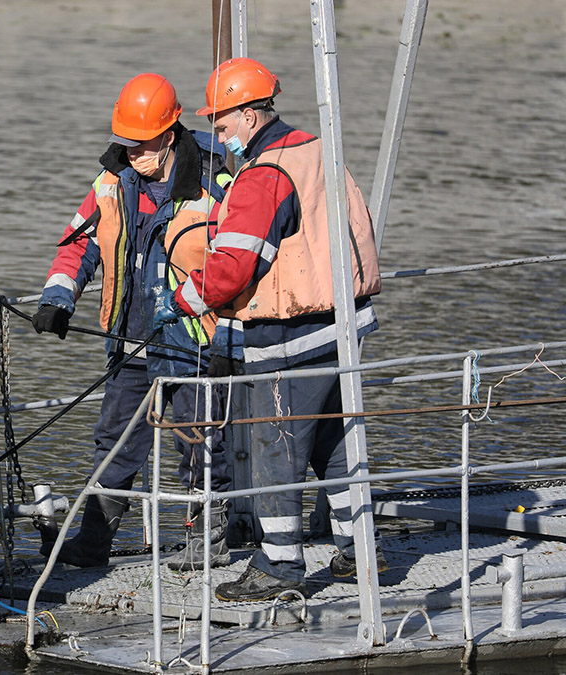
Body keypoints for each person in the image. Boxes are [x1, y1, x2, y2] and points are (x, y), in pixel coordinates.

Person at [152, 57, 386, 601]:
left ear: (250, 114)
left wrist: (184, 298)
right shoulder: (318, 150)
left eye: (221, 121)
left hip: (288, 336)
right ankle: (357, 550)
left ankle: (280, 565)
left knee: (275, 444)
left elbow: (233, 266)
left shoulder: (264, 176)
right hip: (340, 325)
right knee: (333, 442)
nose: (217, 132)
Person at [32, 72, 235, 570]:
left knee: (200, 441)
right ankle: (94, 541)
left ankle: (207, 540)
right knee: (115, 440)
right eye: (126, 146)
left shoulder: (216, 188)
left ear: (169, 137)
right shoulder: (110, 183)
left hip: (194, 343)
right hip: (131, 340)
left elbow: (237, 260)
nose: (133, 156)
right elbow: (77, 243)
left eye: (142, 146)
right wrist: (59, 297)